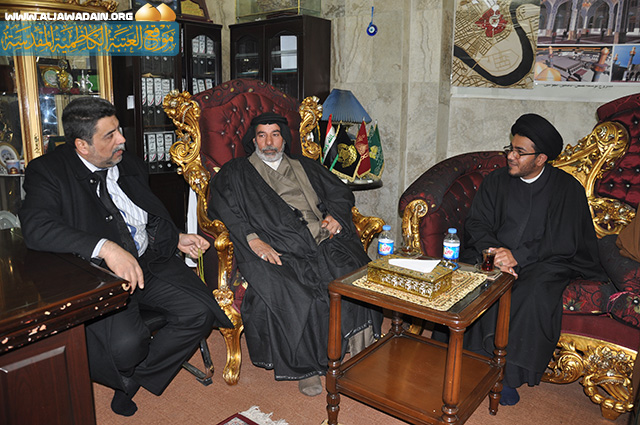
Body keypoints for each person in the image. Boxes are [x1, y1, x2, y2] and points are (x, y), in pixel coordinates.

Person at [19, 97, 232, 416]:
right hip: (99, 276)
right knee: (125, 348)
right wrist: (106, 247)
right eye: (110, 135)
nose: (122, 139)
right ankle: (127, 371)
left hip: (149, 261)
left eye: (119, 130)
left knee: (200, 313)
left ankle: (135, 381)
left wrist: (175, 237)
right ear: (82, 145)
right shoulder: (47, 171)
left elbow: (141, 213)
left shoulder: (127, 161)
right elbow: (36, 228)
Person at [208, 112, 383, 397]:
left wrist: (336, 216)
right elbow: (223, 209)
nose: (269, 142)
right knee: (297, 293)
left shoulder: (305, 165)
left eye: (274, 134)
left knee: (353, 275)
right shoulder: (236, 172)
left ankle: (358, 348)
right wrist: (253, 240)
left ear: (284, 139)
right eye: (262, 135)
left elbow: (340, 192)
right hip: (276, 247)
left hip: (321, 239)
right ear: (254, 140)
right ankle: (307, 368)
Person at [459, 113, 608, 406]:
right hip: (496, 255)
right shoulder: (496, 181)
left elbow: (564, 240)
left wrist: (518, 256)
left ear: (541, 159)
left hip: (547, 260)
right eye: (510, 148)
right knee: (481, 280)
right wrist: (495, 252)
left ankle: (507, 375)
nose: (510, 156)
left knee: (534, 291)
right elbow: (477, 223)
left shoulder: (567, 188)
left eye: (519, 152)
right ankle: (472, 360)